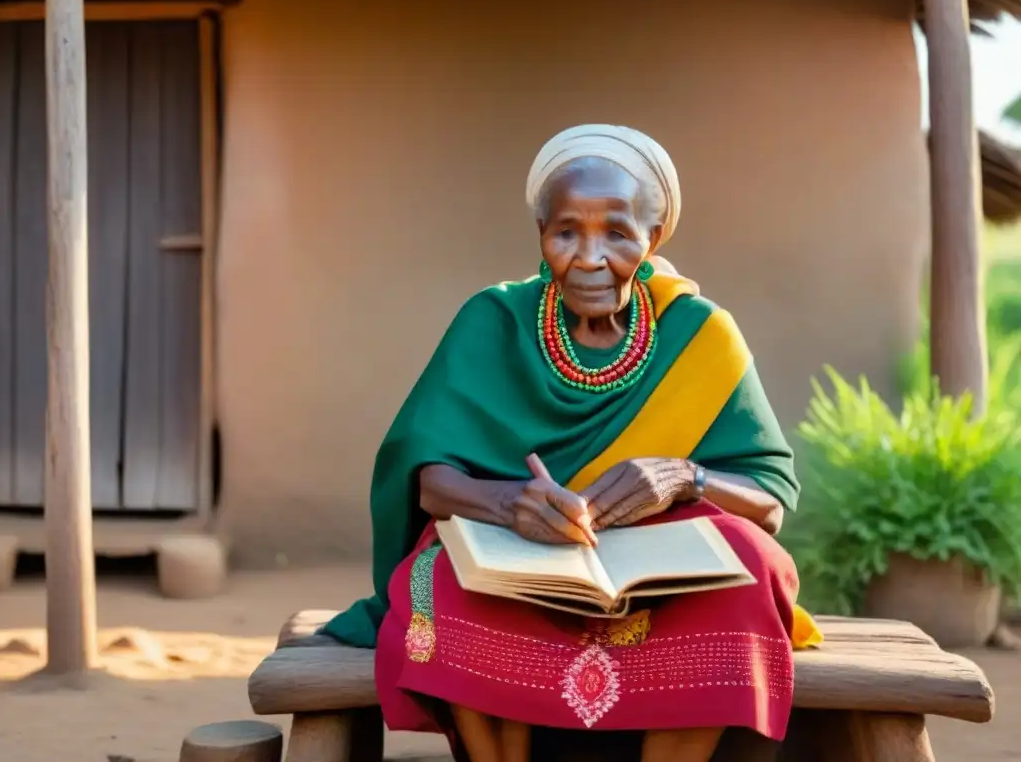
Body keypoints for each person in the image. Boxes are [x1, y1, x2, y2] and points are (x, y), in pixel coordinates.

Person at [323, 124, 821, 761]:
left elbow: (769, 502)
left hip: (661, 581)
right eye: (566, 233)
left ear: (654, 237)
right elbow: (426, 477)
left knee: (752, 566)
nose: (589, 257)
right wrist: (508, 504)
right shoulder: (494, 321)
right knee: (442, 578)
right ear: (540, 235)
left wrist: (683, 478)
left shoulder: (702, 336)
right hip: (515, 567)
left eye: (616, 232)